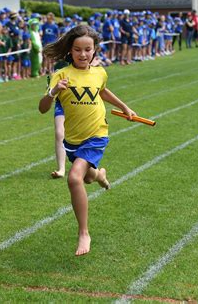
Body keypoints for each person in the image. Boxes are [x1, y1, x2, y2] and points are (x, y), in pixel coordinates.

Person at [39, 25, 137, 256]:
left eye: (87, 50)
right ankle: (99, 175)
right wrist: (53, 92)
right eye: (77, 50)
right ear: (70, 51)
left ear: (94, 50)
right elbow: (43, 108)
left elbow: (102, 91)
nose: (83, 54)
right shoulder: (61, 75)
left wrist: (125, 107)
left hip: (96, 134)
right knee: (87, 175)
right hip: (73, 139)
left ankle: (84, 233)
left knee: (74, 178)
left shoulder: (100, 72)